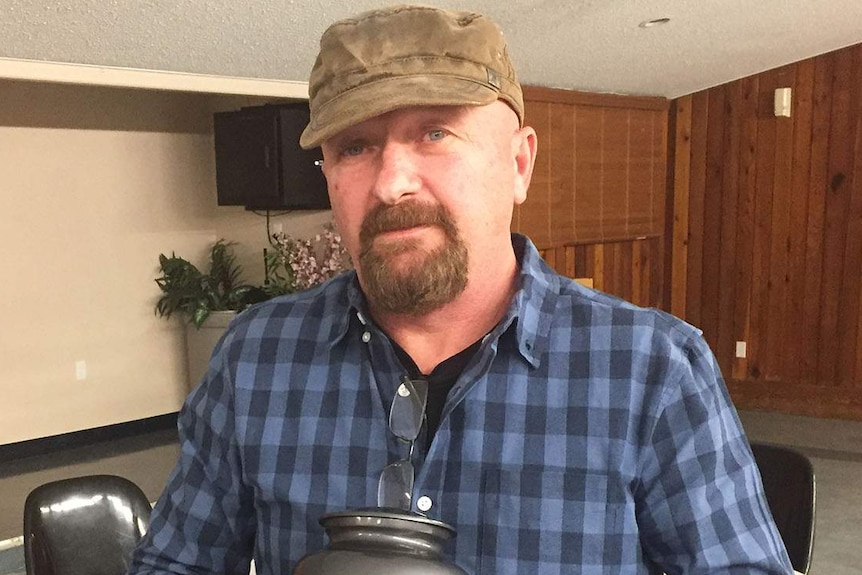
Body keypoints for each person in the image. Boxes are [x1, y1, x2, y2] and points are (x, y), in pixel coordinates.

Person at [129, 5, 794, 574]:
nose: (392, 182)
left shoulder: (652, 372)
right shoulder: (257, 360)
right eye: (355, 148)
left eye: (435, 133)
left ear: (519, 163)